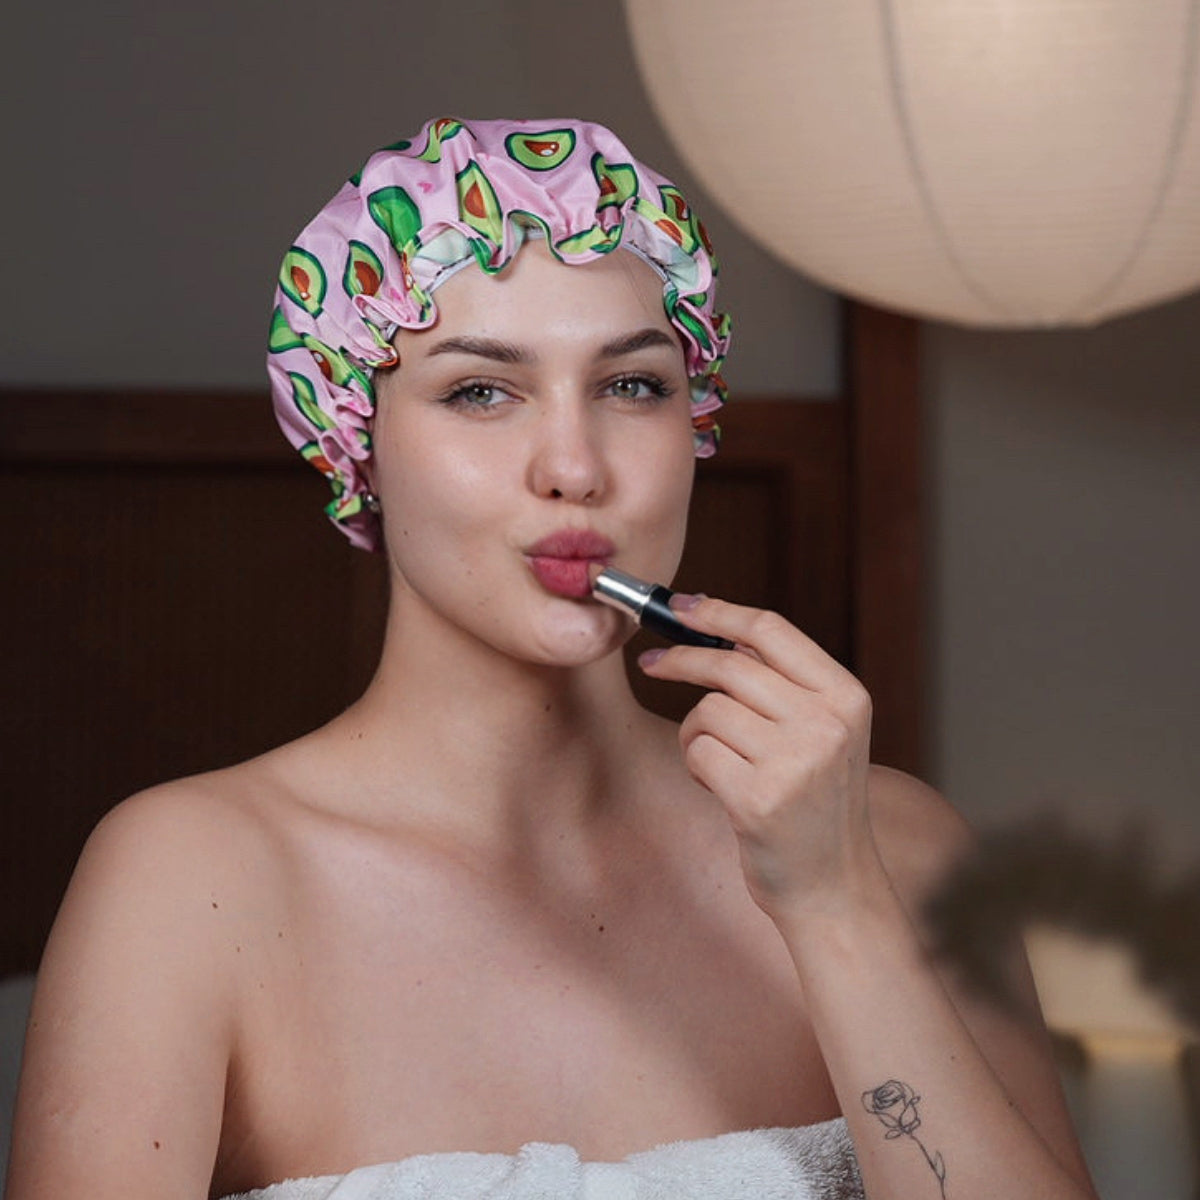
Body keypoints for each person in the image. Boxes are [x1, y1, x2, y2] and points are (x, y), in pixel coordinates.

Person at [5, 117, 1098, 1200]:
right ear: (356, 442)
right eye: (481, 390)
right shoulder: (189, 881)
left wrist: (837, 904)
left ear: (695, 422)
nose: (574, 468)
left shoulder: (895, 845)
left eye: (632, 386)